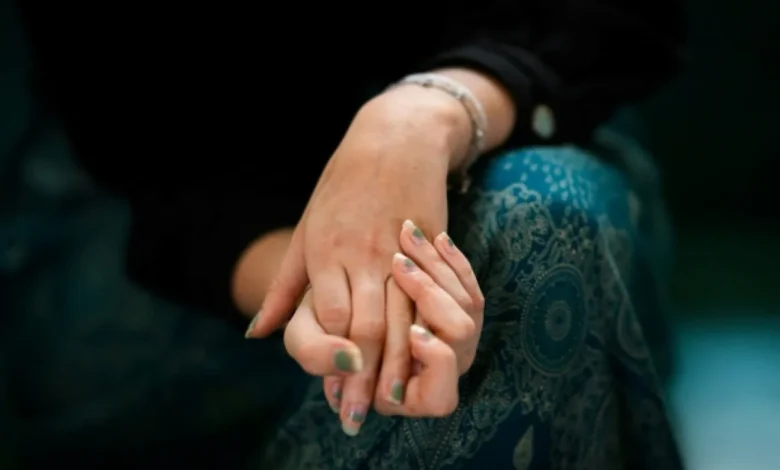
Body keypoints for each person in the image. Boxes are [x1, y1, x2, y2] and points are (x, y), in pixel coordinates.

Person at [18, 0, 685, 468]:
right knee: (437, 327)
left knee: (532, 239)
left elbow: (615, 19)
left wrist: (426, 112)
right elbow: (140, 147)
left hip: (524, 106)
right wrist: (331, 296)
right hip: (156, 225)